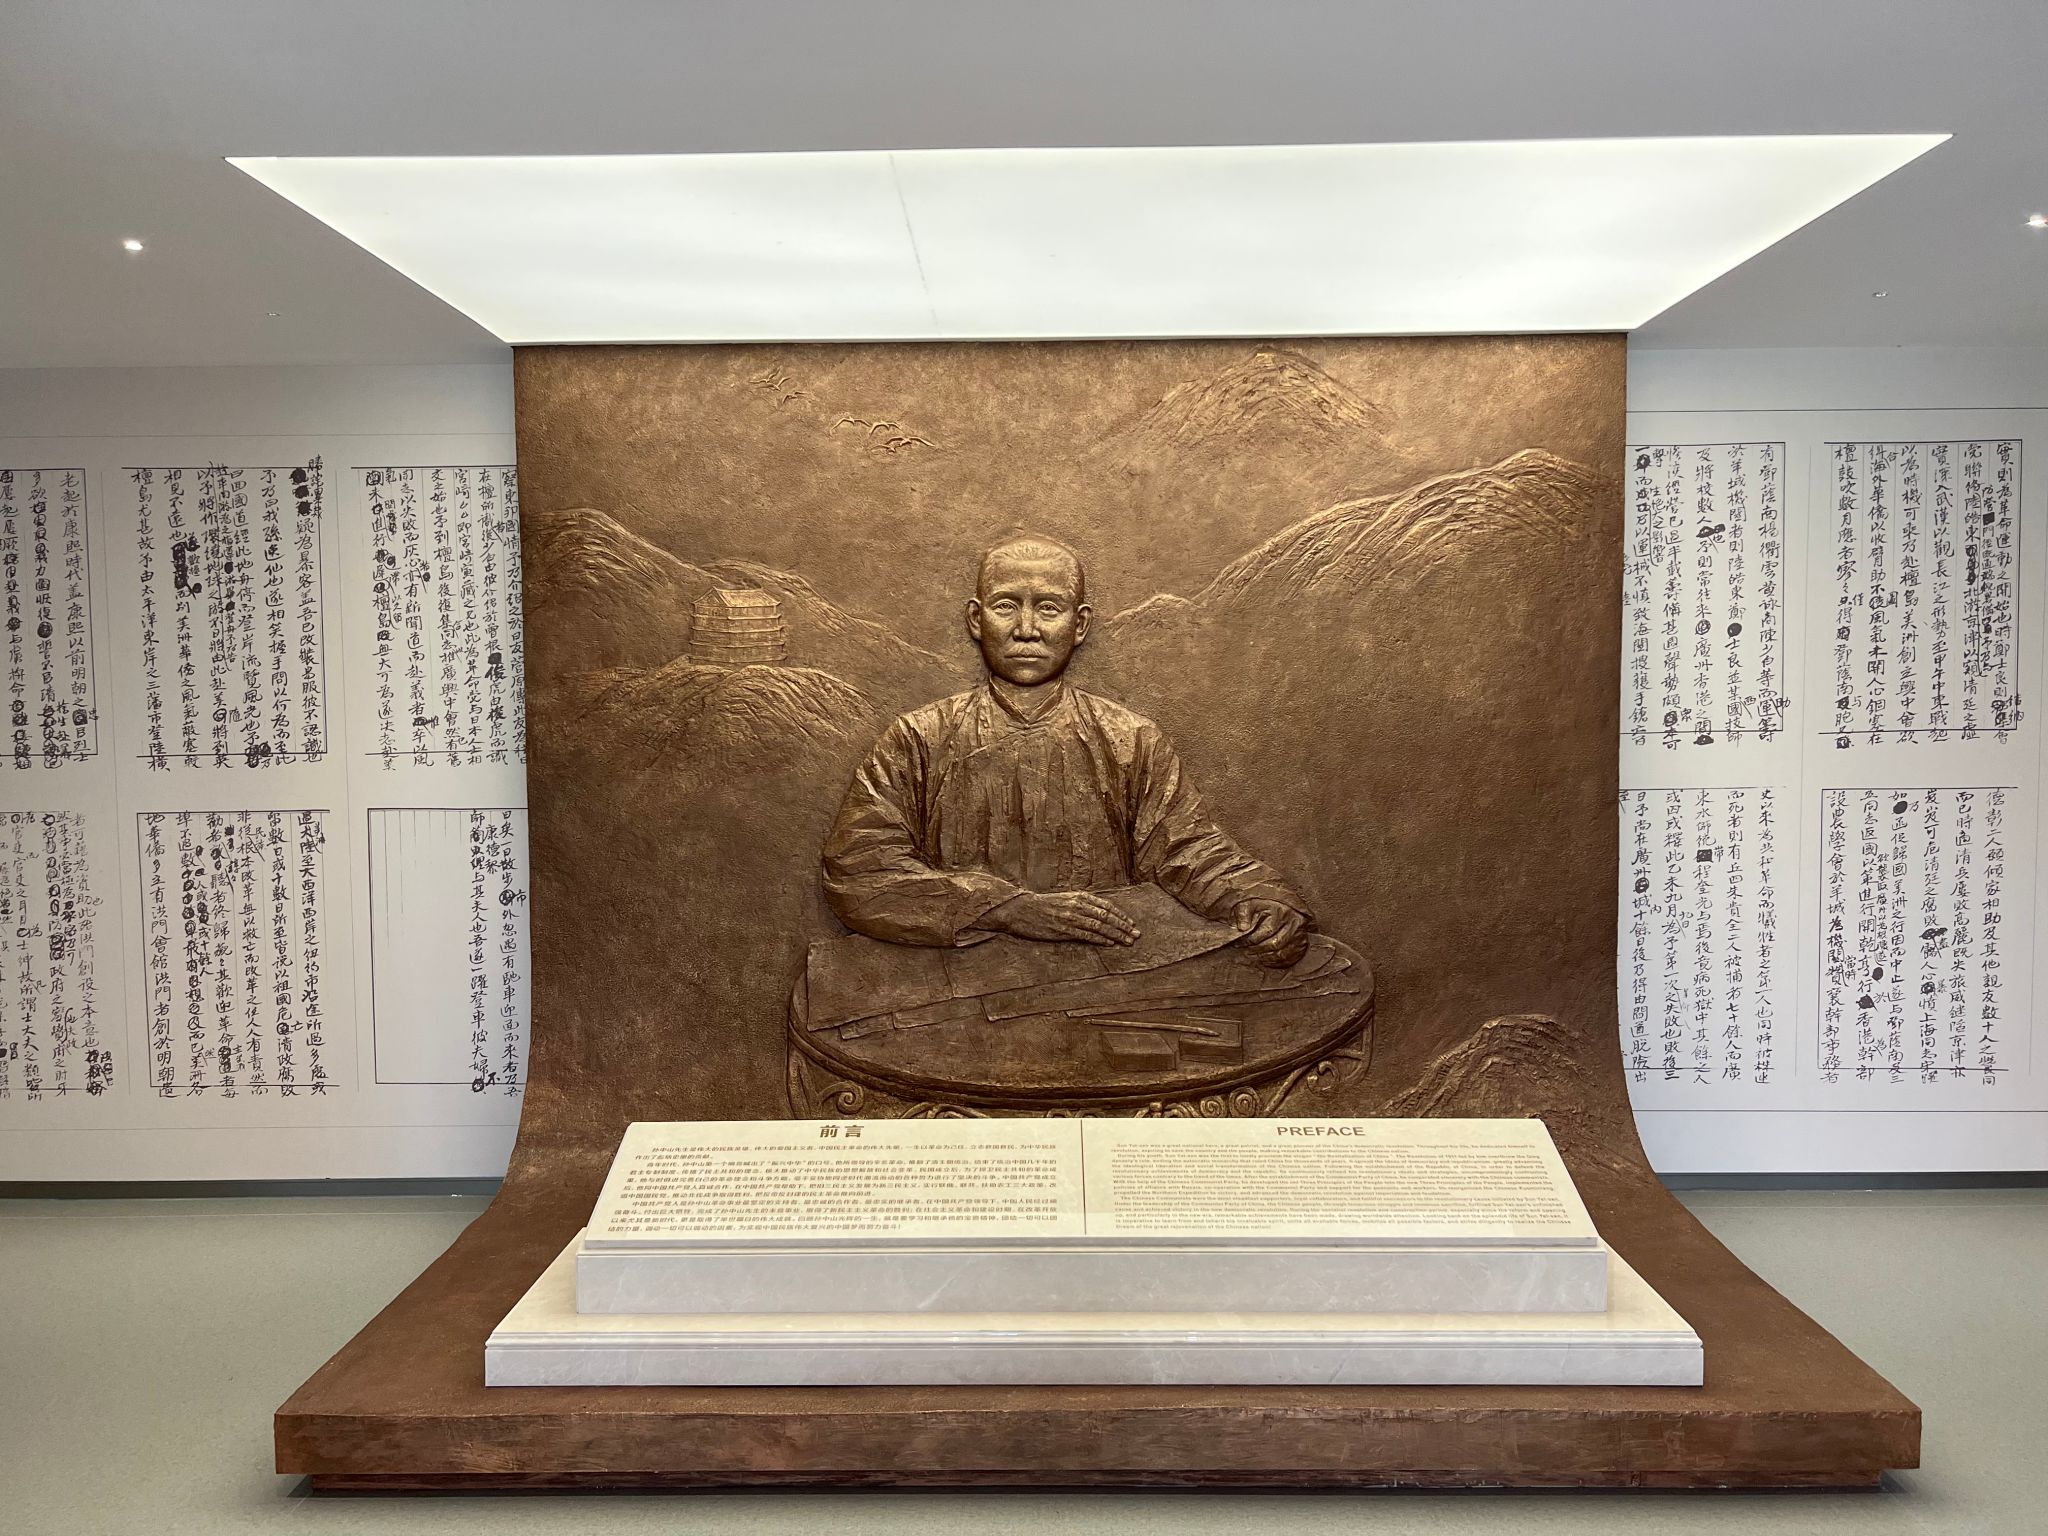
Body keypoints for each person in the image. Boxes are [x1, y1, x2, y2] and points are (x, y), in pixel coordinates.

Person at [821, 535, 1313, 967]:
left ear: (1079, 626)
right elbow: (861, 870)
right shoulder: (917, 738)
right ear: (976, 619)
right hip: (953, 980)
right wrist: (1006, 909)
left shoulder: (1131, 739)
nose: (1027, 629)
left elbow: (1187, 849)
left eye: (1048, 608)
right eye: (1006, 606)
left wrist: (1258, 900)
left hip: (1102, 974)